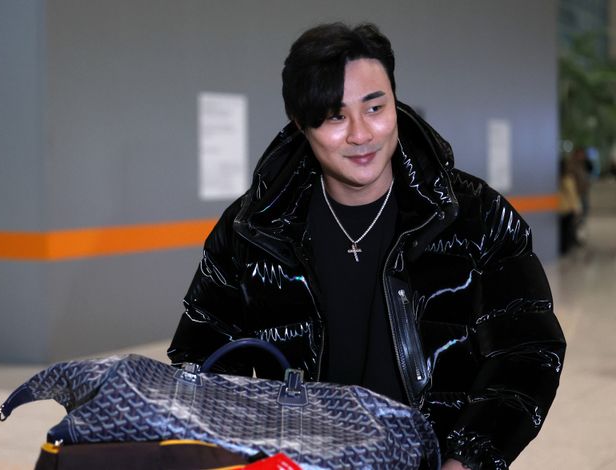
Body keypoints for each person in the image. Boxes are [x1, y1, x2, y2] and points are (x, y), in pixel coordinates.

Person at [168, 23, 566, 470]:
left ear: (395, 101)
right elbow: (203, 357)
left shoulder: (475, 215)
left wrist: (465, 459)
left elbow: (527, 350)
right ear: (300, 122)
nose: (361, 134)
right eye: (335, 117)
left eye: (375, 108)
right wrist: (247, 451)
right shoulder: (253, 228)